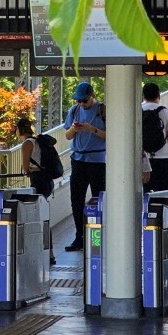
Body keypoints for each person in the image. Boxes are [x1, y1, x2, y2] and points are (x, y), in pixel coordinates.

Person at [63, 80, 106, 252]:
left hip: (97, 161)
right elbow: (67, 136)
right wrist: (75, 129)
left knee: (99, 199)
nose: (81, 104)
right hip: (78, 160)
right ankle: (79, 235)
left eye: (84, 101)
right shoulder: (74, 111)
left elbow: (111, 135)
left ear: (92, 96)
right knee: (76, 200)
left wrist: (91, 129)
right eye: (78, 101)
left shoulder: (103, 110)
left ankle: (100, 234)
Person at [16, 116, 57, 265]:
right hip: (47, 181)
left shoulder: (27, 144)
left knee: (38, 217)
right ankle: (49, 253)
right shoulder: (38, 141)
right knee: (44, 217)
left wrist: (27, 170)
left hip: (38, 181)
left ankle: (45, 252)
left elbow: (25, 169)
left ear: (19, 129)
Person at [140, 82, 168, 192]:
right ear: (158, 96)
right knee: (162, 192)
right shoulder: (165, 112)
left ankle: (146, 209)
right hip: (163, 159)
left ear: (143, 96)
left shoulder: (138, 111)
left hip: (143, 159)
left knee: (145, 193)